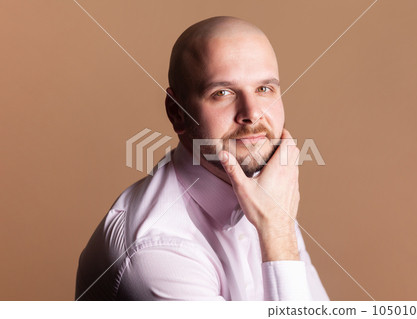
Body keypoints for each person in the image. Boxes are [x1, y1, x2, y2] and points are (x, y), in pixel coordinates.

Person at [75, 16, 329, 301]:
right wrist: (278, 231)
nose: (252, 113)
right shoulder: (157, 251)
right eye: (222, 93)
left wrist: (278, 225)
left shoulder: (270, 194)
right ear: (177, 113)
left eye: (264, 89)